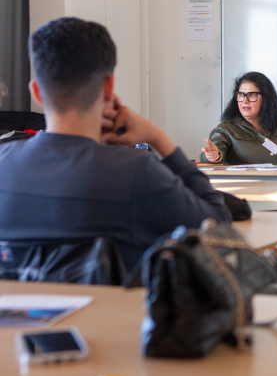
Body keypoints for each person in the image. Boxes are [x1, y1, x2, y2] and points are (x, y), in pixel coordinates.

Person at [0, 17, 231, 273]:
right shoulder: (134, 171)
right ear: (108, 88)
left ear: (36, 92)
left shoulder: (3, 161)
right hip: (119, 312)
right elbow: (219, 228)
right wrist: (157, 138)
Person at [201, 72, 277, 166]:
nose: (244, 100)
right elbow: (213, 153)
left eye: (252, 95)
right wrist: (213, 155)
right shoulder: (225, 130)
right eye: (241, 95)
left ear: (266, 99)